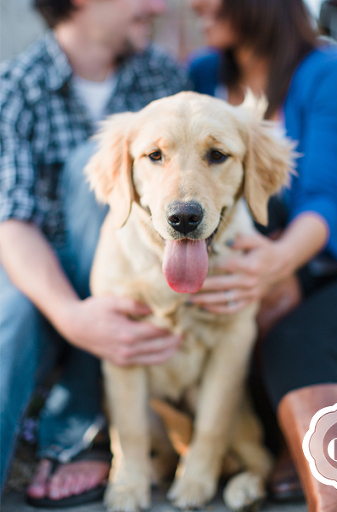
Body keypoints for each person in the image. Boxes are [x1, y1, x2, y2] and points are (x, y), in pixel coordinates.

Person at [0, 0, 187, 506]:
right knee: (13, 312)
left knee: (95, 161)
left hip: (134, 269)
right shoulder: (15, 87)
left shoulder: (162, 77)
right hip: (40, 267)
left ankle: (77, 433)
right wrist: (71, 315)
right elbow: (11, 223)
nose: (158, 6)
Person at [187, 0, 337, 511]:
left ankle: (327, 482)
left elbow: (325, 195)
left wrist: (275, 266)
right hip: (226, 266)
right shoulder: (202, 73)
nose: (197, 6)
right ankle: (277, 442)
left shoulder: (326, 71)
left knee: (291, 335)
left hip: (317, 265)